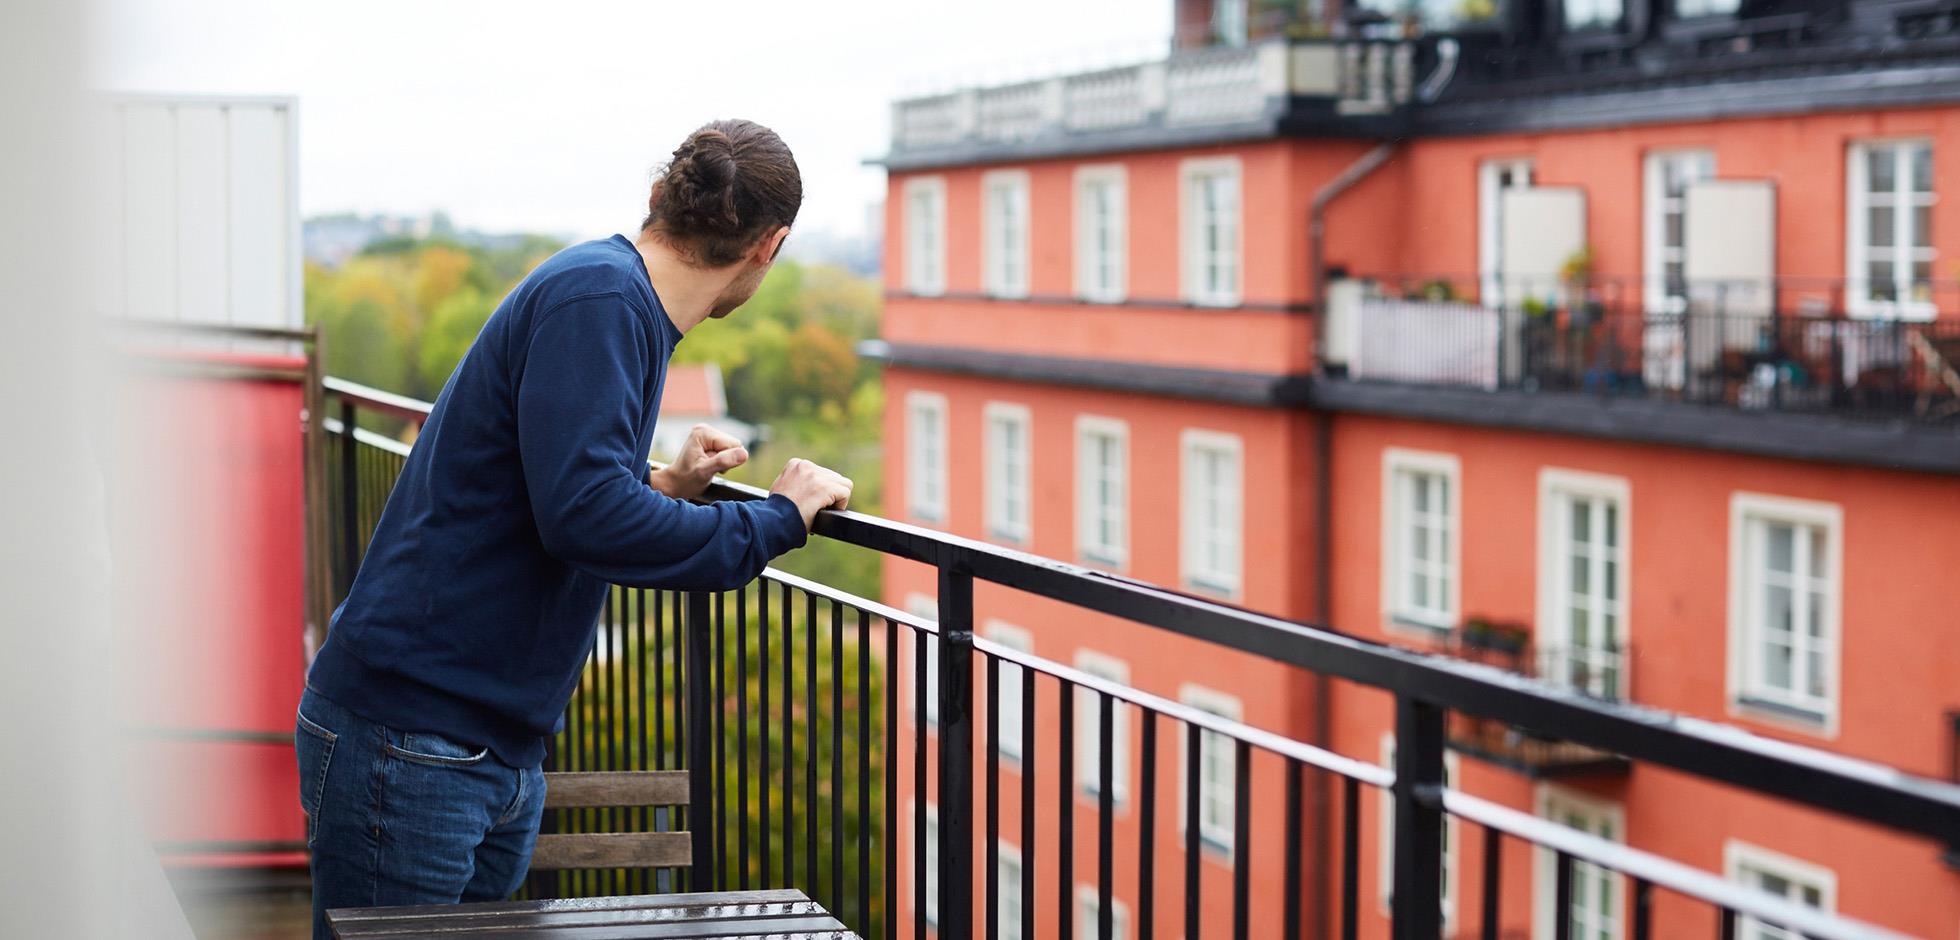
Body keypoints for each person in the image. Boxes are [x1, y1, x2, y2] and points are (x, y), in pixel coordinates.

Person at [293, 120, 851, 939]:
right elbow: (587, 519)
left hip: (478, 747)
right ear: (771, 245)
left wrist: (663, 484)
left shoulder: (618, 300)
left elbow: (551, 488)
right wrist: (775, 520)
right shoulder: (601, 301)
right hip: (414, 743)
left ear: (660, 197)